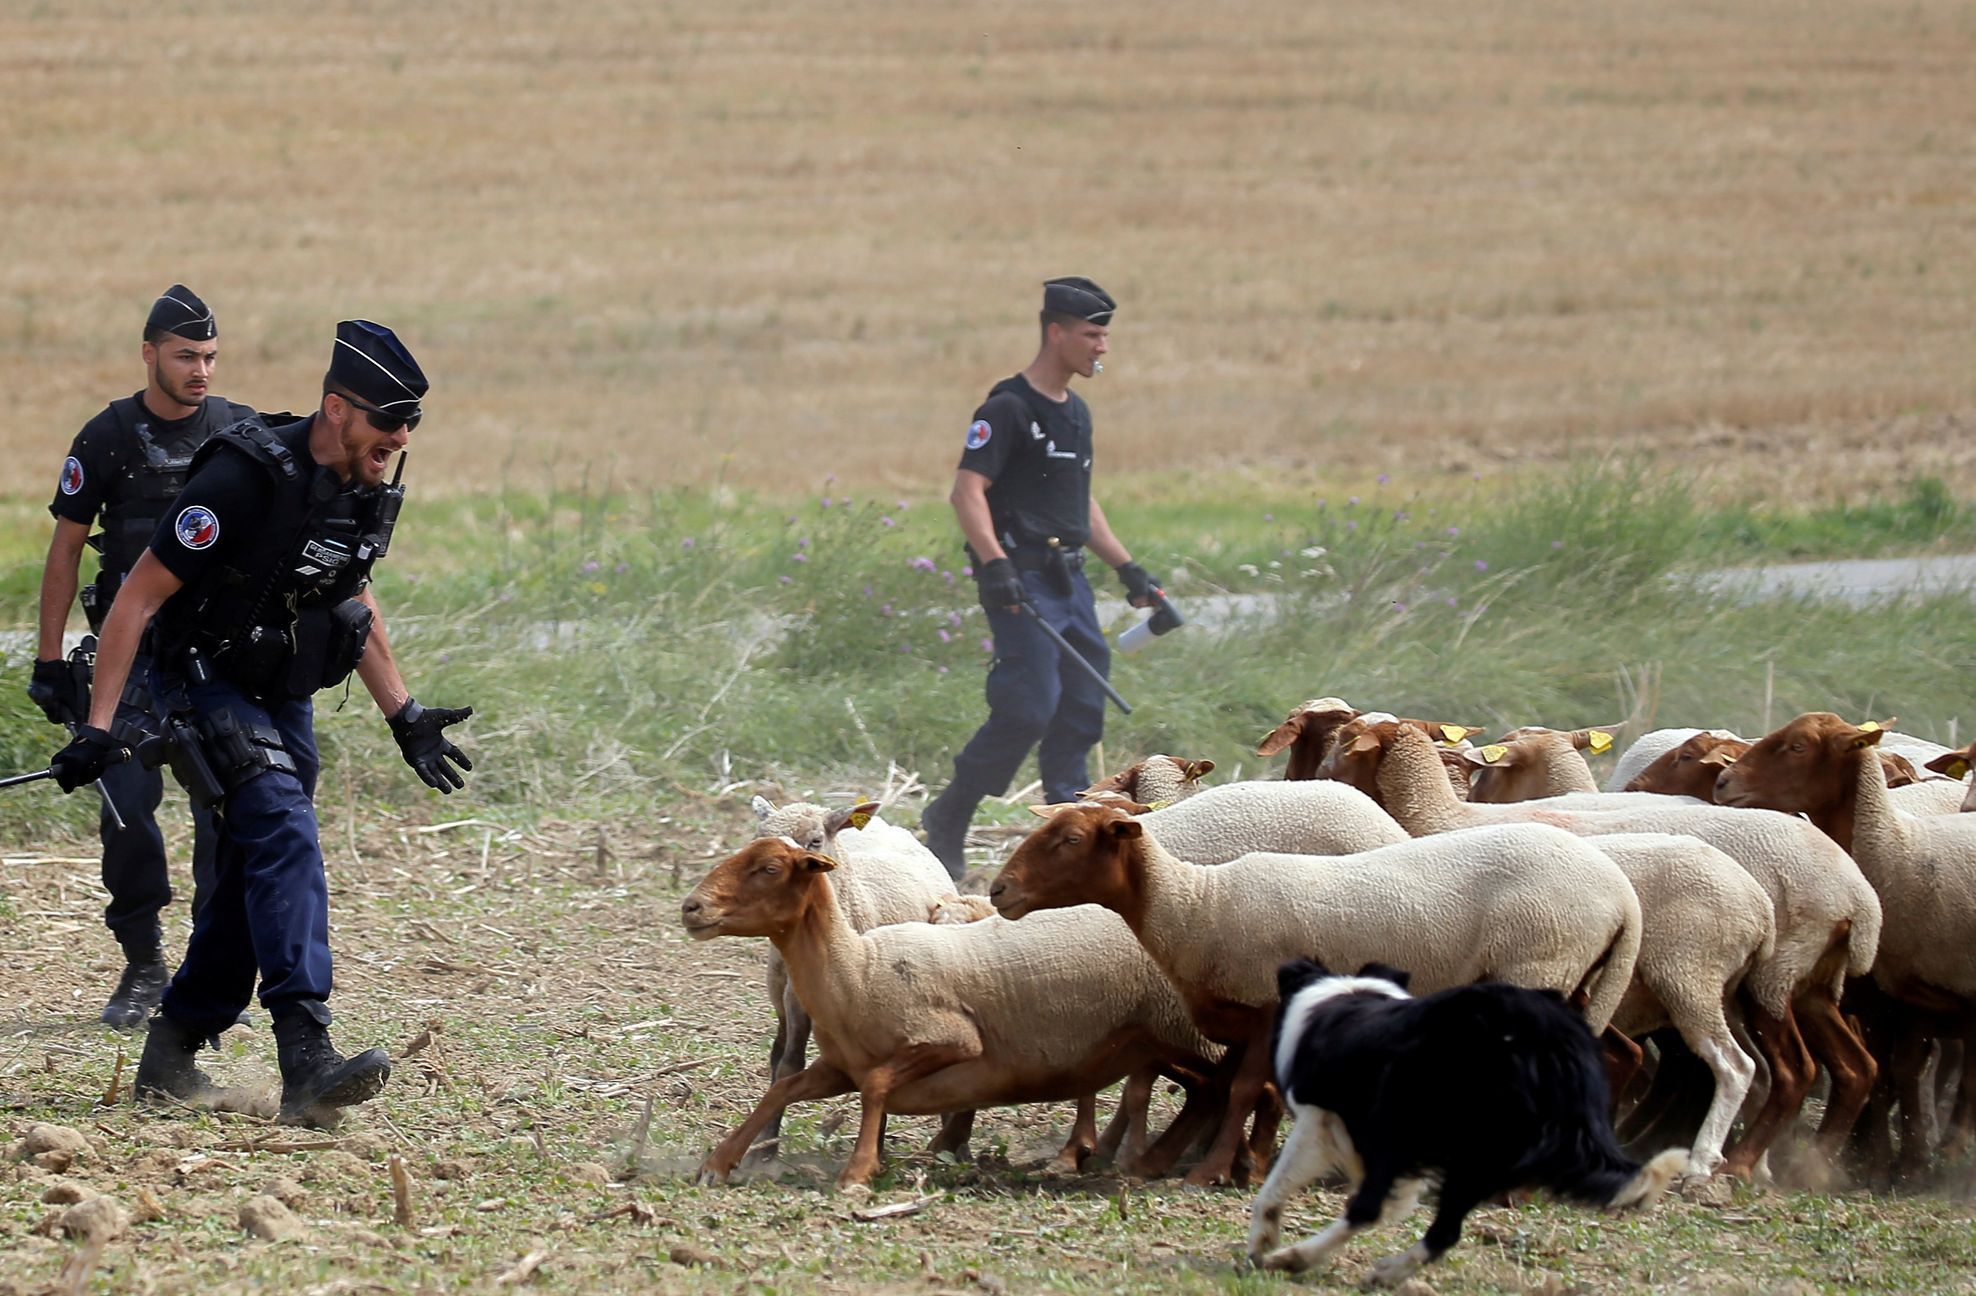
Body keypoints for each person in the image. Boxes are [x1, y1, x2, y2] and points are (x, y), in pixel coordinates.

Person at [49, 319, 475, 1126]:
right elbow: (137, 598)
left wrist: (405, 714)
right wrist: (99, 729)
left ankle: (172, 1047)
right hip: (198, 682)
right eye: (384, 432)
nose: (394, 449)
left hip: (280, 690)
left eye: (404, 437)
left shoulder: (361, 481)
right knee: (284, 831)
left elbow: (352, 596)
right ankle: (304, 1050)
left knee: (254, 874)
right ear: (339, 410)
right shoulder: (244, 477)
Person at [29, 285, 251, 1028]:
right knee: (127, 814)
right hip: (127, 661)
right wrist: (50, 660)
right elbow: (64, 553)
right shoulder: (108, 436)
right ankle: (142, 965)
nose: (201, 370)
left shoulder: (241, 432)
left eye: (211, 356)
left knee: (228, 819)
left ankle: (207, 974)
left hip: (213, 661)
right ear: (150, 354)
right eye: (187, 355)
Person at [919, 277, 1162, 879]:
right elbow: (966, 491)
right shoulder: (1008, 409)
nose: (1102, 347)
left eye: (1104, 335)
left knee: (1082, 704)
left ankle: (1069, 835)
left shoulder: (1075, 414)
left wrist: (1129, 569)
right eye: (1091, 334)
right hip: (1020, 580)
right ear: (1056, 332)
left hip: (1069, 579)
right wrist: (996, 565)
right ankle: (949, 814)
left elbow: (1080, 507)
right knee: (1029, 706)